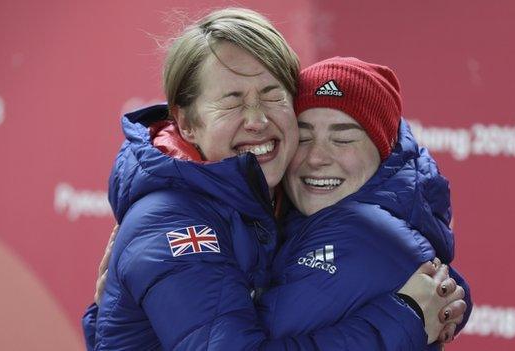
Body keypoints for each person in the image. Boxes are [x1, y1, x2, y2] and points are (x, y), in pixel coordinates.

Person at [82, 8, 467, 350]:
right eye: (232, 100)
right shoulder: (174, 219)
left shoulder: (268, 198)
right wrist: (404, 318)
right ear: (187, 122)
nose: (257, 119)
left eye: (272, 96)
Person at [255, 57, 471, 346]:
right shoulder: (307, 219)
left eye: (343, 140)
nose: (317, 158)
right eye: (303, 138)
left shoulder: (359, 232)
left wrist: (404, 318)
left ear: (383, 150)